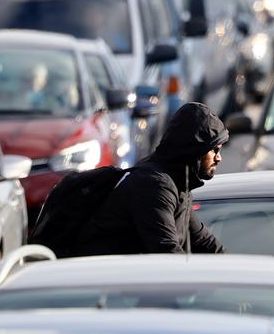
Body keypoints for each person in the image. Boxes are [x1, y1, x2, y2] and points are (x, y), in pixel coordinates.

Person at [73, 102, 227, 255]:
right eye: (214, 150)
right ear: (195, 149)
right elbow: (168, 255)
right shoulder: (155, 185)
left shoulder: (177, 181)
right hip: (100, 276)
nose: (219, 158)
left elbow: (202, 240)